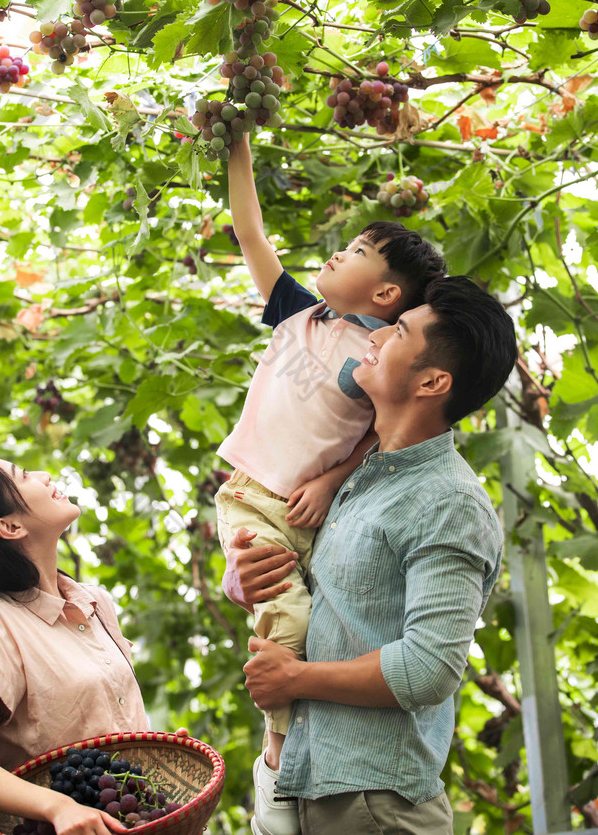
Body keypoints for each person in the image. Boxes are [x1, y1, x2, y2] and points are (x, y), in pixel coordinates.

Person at [222, 274, 518, 835]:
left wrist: (296, 680)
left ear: (432, 381)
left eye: (398, 330)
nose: (373, 338)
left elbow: (429, 669)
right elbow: (320, 602)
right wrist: (243, 582)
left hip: (376, 806)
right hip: (304, 791)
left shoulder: (448, 502)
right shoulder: (353, 479)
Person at [215, 134, 446, 835]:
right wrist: (239, 146)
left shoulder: (381, 355)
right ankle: (281, 756)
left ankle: (306, 770)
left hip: (312, 509)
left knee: (334, 628)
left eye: (354, 252)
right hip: (253, 492)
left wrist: (332, 479)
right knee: (286, 618)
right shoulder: (296, 314)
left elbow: (388, 434)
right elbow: (249, 229)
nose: (335, 253)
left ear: (384, 293)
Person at [0, 449, 147, 835]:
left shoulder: (94, 603)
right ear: (9, 527)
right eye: (23, 476)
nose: (43, 474)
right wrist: (59, 807)